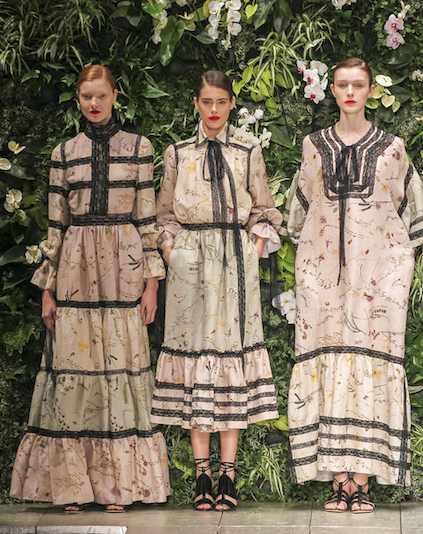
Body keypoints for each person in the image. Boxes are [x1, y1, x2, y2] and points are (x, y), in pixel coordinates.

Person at [10, 65, 170, 513]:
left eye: (101, 96)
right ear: (78, 99)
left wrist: (152, 284)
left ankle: (118, 486)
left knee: (122, 367)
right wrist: (48, 289)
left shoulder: (140, 148)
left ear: (116, 95)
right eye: (86, 97)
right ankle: (74, 487)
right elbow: (56, 224)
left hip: (125, 263)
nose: (94, 104)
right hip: (76, 267)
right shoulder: (65, 152)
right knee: (74, 370)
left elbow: (147, 221)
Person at [282, 57, 423, 513]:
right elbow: (298, 213)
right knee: (328, 361)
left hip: (378, 282)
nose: (350, 92)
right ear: (332, 90)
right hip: (324, 277)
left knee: (371, 364)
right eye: (343, 85)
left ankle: (363, 479)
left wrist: (389, 260)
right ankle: (337, 480)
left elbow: (417, 214)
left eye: (359, 85)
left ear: (370, 91)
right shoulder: (315, 146)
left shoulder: (392, 148)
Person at [151, 70, 282, 511]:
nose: (213, 110)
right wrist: (173, 253)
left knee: (231, 360)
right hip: (190, 260)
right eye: (206, 102)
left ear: (230, 104)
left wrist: (254, 247)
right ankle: (201, 475)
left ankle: (228, 475)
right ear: (195, 103)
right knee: (195, 363)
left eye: (220, 102)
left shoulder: (247, 149)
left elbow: (264, 209)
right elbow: (163, 213)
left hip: (234, 261)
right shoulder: (177, 153)